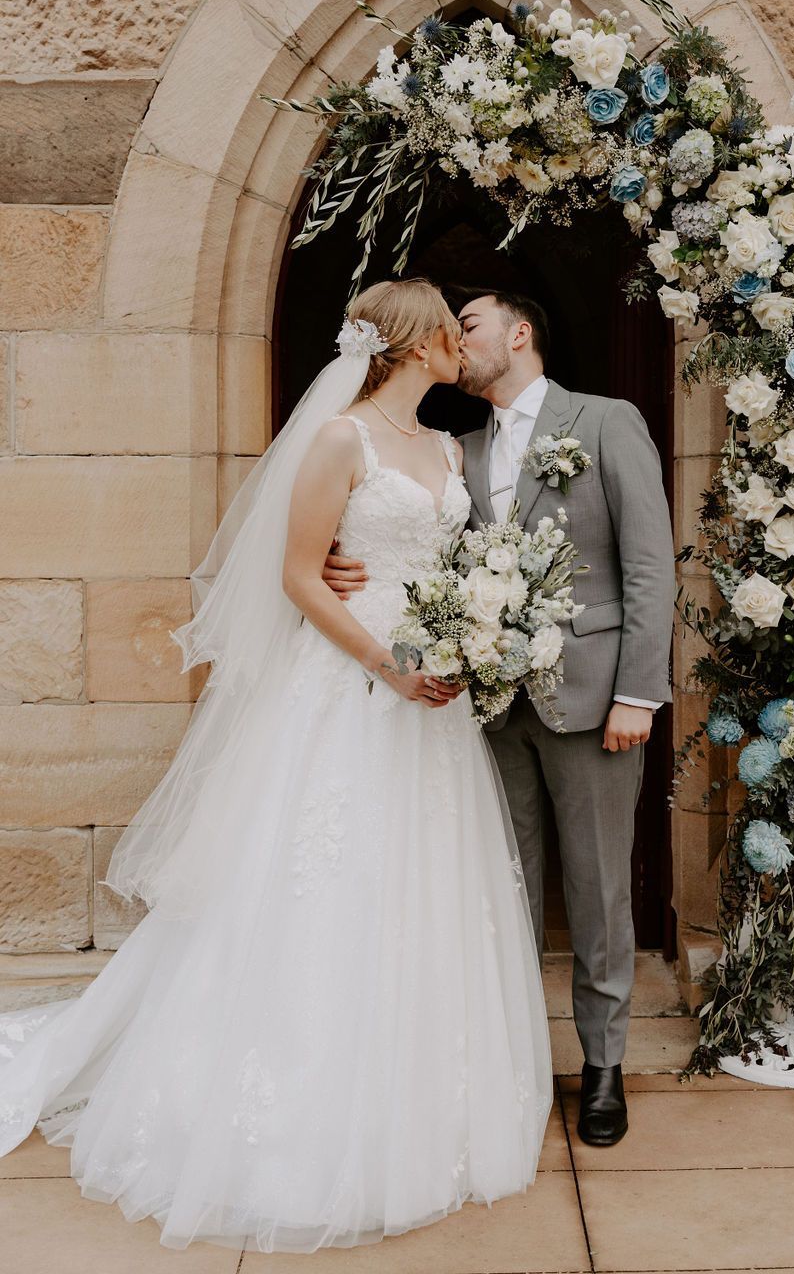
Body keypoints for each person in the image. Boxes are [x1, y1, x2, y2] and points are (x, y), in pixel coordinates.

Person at [0, 278, 551, 1253]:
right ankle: (296, 1116)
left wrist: (469, 635)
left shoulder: (442, 446)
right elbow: (299, 575)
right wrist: (389, 660)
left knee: (420, 889)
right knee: (321, 885)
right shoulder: (342, 439)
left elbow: (451, 565)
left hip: (431, 703)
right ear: (412, 343)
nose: (458, 341)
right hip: (350, 689)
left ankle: (420, 1105)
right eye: (444, 328)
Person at [325, 287, 675, 1147]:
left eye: (467, 326)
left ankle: (602, 1069)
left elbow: (649, 565)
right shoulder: (457, 449)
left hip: (595, 701)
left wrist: (640, 693)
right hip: (485, 709)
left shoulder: (606, 421)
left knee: (598, 892)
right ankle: (513, 1060)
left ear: (519, 333)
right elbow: (417, 553)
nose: (455, 339)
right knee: (500, 891)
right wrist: (342, 563)